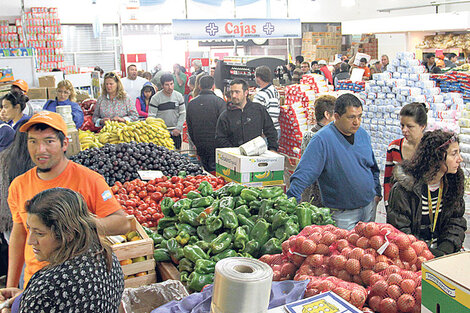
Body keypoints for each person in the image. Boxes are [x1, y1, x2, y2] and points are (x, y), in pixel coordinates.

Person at [6, 111, 130, 289]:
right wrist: (12, 285)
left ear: (64, 143)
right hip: (34, 282)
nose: (40, 150)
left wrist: (79, 223)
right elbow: (19, 234)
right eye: (33, 141)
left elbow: (122, 223)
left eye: (49, 141)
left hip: (78, 282)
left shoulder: (89, 179)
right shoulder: (18, 185)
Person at [0, 187, 124, 312]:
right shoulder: (106, 256)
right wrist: (25, 296)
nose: (30, 241)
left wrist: (5, 310)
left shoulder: (48, 287)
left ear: (67, 234)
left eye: (39, 233)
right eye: (29, 229)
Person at [287, 94, 381, 230]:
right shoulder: (322, 140)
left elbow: (372, 166)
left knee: (367, 249)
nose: (357, 122)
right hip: (342, 214)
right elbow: (304, 174)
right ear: (336, 116)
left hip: (368, 207)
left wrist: (377, 192)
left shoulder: (363, 135)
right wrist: (291, 203)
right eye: (351, 117)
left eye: (359, 116)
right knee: (345, 249)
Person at [387, 130, 466, 257]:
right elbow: (400, 232)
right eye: (454, 154)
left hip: (443, 253)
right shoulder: (404, 189)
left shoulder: (452, 185)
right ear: (436, 157)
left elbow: (456, 221)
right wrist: (427, 254)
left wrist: (445, 250)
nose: (460, 159)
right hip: (413, 257)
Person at [384, 102, 427, 206]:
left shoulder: (430, 149)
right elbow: (387, 180)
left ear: (422, 126)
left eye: (410, 126)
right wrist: (388, 203)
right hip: (399, 206)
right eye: (402, 125)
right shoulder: (394, 147)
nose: (404, 130)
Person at [215, 79, 278, 150]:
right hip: (234, 157)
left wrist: (273, 148)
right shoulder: (225, 116)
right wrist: (235, 152)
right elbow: (220, 139)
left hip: (256, 156)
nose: (234, 95)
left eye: (237, 92)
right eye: (232, 92)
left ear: (246, 92)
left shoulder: (258, 110)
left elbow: (270, 131)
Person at [299, 95, 336, 206]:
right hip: (317, 197)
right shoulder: (314, 137)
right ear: (327, 115)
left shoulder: (313, 135)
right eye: (336, 114)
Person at [186, 75, 226, 172]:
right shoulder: (220, 102)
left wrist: (195, 142)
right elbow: (224, 125)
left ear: (199, 86)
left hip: (200, 144)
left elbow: (189, 126)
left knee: (205, 169)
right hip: (216, 145)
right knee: (215, 171)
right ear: (213, 87)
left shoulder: (191, 103)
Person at [149, 73, 186, 150]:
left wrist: (178, 128)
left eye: (171, 84)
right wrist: (158, 131)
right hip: (161, 134)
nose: (170, 87)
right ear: (162, 86)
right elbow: (151, 117)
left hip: (176, 132)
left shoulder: (178, 96)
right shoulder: (155, 98)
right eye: (167, 85)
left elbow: (182, 114)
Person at [254, 66, 281, 136]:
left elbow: (273, 113)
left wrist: (265, 131)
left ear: (259, 77)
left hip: (267, 133)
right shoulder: (265, 91)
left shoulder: (270, 93)